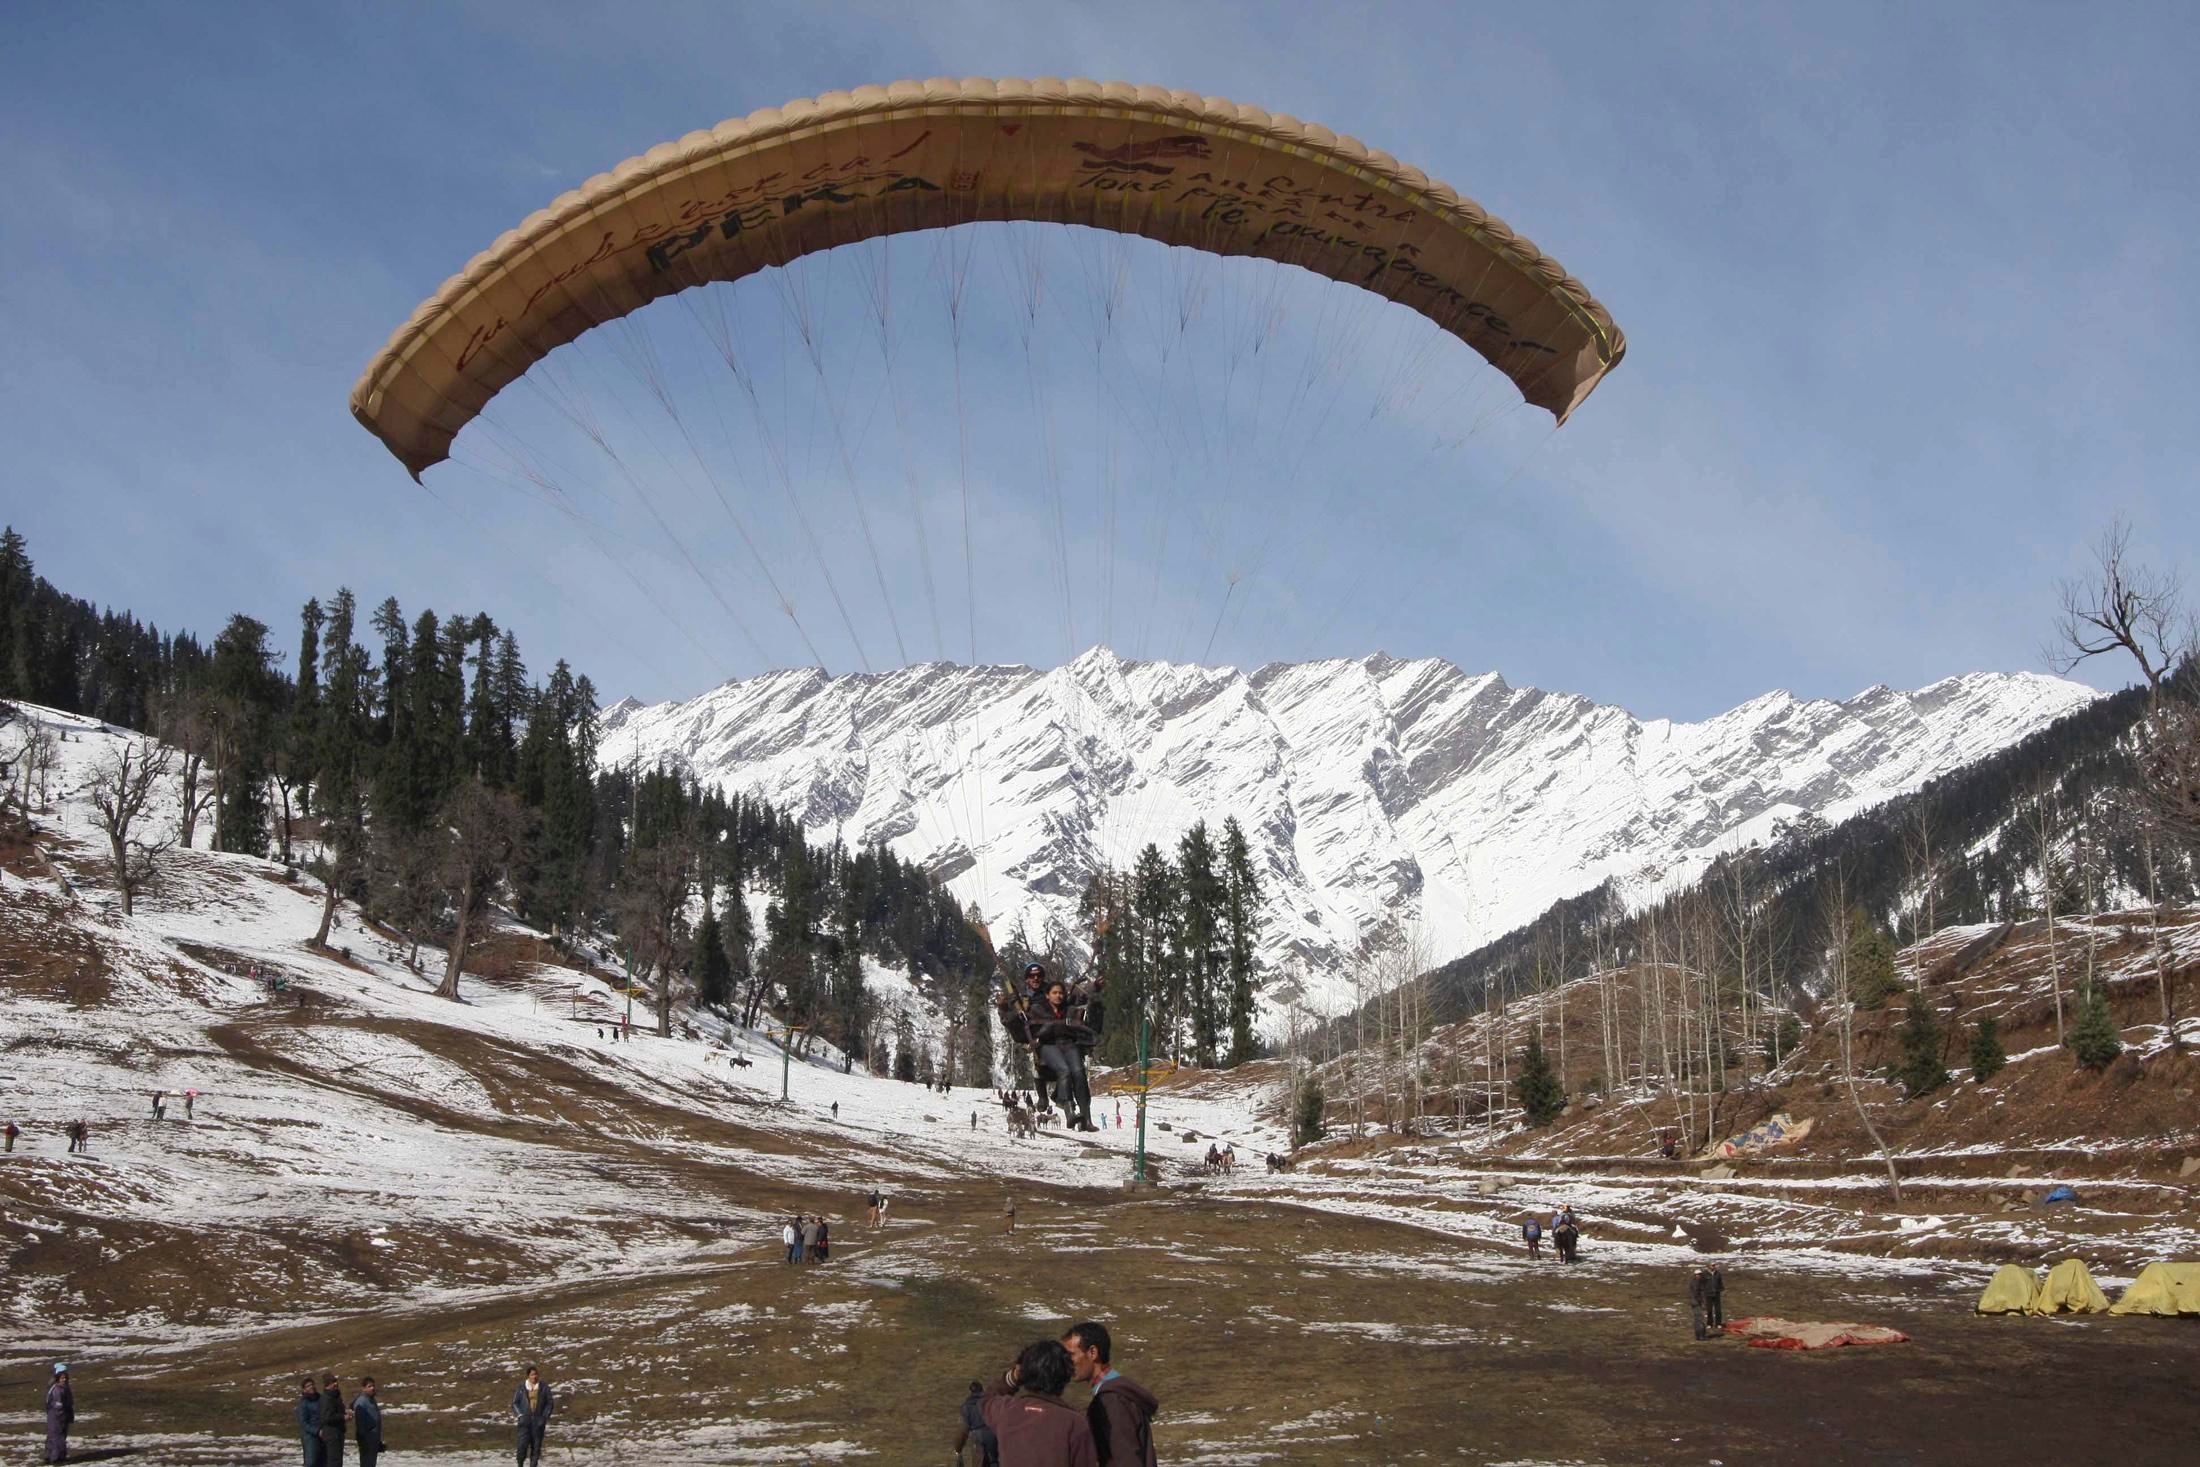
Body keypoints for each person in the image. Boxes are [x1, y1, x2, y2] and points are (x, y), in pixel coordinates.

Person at [979, 1340, 1097, 1467]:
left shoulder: (1005, 1411)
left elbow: (986, 1399)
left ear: (1023, 1373)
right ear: (1066, 1376)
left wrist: (1013, 1377)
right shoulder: (1075, 1423)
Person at [1063, 1321, 1157, 1467]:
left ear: (1092, 1353)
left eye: (1071, 1355)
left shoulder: (1112, 1401)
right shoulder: (1118, 1394)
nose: (1067, 1363)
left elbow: (1124, 1460)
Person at [511, 1367, 553, 1467]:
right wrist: (520, 1415)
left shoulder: (544, 1387)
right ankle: (520, 1464)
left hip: (538, 1422)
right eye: (532, 1375)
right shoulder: (521, 1387)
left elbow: (549, 1403)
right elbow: (515, 1403)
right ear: (528, 1376)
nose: (535, 1377)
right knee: (522, 1446)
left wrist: (544, 1416)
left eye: (536, 1374)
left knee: (536, 1447)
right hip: (525, 1421)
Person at [954, 1379, 1002, 1467]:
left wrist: (958, 1448)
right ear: (982, 1389)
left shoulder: (967, 1407)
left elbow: (963, 1431)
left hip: (978, 1438)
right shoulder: (991, 1401)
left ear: (970, 1391)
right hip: (994, 1435)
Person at [45, 1363, 74, 1464]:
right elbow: (58, 1405)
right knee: (58, 1437)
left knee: (52, 1436)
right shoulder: (58, 1390)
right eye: (62, 1378)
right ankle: (57, 1458)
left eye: (65, 1378)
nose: (64, 1380)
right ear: (58, 1378)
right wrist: (63, 1416)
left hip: (55, 1416)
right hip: (58, 1416)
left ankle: (49, 1456)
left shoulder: (57, 1388)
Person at [318, 1373, 348, 1467]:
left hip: (338, 1433)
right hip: (332, 1434)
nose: (335, 1384)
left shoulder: (335, 1397)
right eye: (332, 1382)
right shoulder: (326, 1398)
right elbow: (326, 1417)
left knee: (338, 1461)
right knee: (334, 1461)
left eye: (335, 1381)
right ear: (327, 1385)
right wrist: (342, 1417)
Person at [354, 1376, 384, 1467]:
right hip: (366, 1439)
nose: (372, 1388)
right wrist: (363, 1439)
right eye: (369, 1386)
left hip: (374, 1438)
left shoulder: (372, 1400)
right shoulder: (361, 1402)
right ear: (363, 1388)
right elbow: (360, 1423)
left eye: (373, 1386)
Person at [296, 1376, 323, 1467]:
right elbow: (304, 1423)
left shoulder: (320, 1398)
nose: (311, 1387)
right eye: (308, 1386)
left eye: (312, 1385)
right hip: (310, 1437)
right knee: (311, 1462)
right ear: (304, 1390)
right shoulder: (303, 1404)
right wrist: (317, 1431)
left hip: (323, 1434)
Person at [1688, 1266, 1712, 1341]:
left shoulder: (1695, 1282)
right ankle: (1701, 1335)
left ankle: (1698, 1335)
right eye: (1698, 1275)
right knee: (1700, 1319)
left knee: (1697, 1319)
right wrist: (1702, 1302)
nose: (1699, 1276)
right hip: (1697, 1303)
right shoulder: (1696, 1283)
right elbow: (1697, 1294)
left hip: (1694, 1302)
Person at [1706, 1262, 1726, 1330]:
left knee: (1718, 1310)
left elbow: (1720, 1282)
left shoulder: (1718, 1273)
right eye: (1712, 1265)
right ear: (1708, 1266)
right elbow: (1702, 1283)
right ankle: (1709, 1324)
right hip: (1708, 1294)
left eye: (1714, 1265)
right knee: (1709, 1310)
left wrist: (1721, 1289)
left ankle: (1718, 1323)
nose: (1713, 1267)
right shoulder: (1705, 1274)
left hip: (1716, 1294)